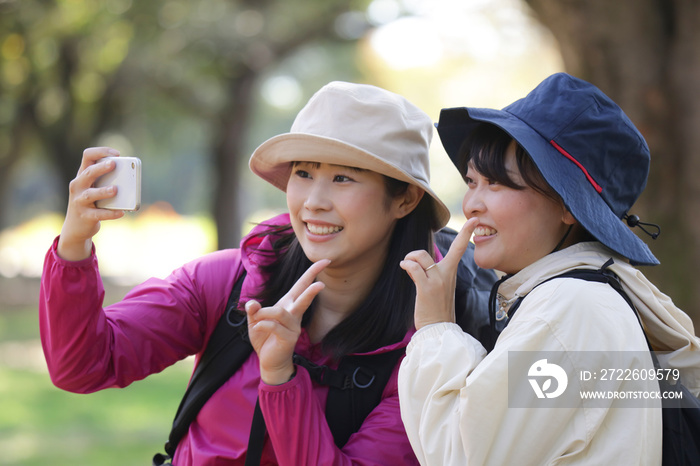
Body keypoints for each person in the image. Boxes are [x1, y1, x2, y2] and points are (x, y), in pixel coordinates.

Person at [39, 81, 494, 465]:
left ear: (404, 200)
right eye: (303, 172)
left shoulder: (427, 347)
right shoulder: (226, 283)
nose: (313, 200)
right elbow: (83, 365)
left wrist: (279, 375)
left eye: (343, 178)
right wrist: (74, 246)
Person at [397, 73, 700, 465]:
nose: (471, 203)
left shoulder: (569, 310)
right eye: (471, 181)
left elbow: (461, 455)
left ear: (569, 206)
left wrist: (437, 329)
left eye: (496, 183)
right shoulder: (577, 300)